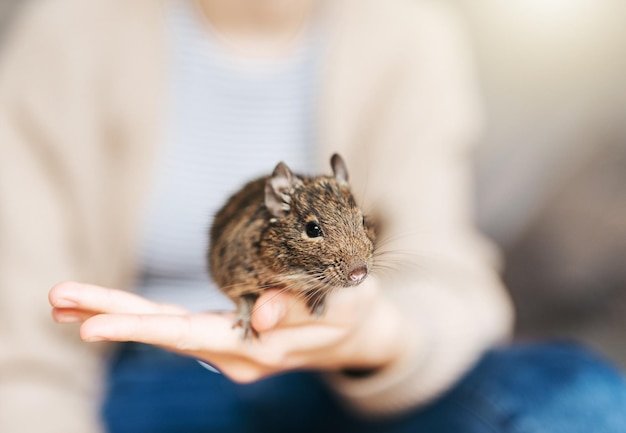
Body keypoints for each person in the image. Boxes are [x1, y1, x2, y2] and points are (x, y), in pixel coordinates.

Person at [1, 0, 625, 432]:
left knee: (577, 396)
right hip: (137, 376)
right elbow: (21, 319)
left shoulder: (411, 34)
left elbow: (444, 270)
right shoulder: (68, 34)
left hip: (349, 378)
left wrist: (378, 336)